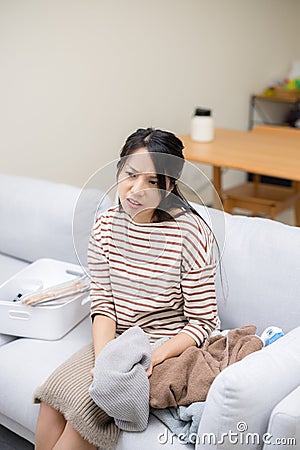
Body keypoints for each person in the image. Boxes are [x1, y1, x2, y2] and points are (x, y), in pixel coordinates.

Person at [34, 128, 220, 450]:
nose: (136, 191)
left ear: (170, 187)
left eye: (153, 182)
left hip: (163, 340)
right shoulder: (105, 224)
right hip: (118, 337)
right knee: (52, 398)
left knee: (85, 415)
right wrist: (106, 357)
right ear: (119, 169)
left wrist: (153, 359)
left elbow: (203, 322)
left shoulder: (190, 234)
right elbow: (104, 302)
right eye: (131, 175)